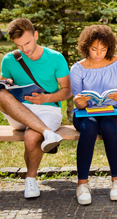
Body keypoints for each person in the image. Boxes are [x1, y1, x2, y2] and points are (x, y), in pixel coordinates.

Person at [0, 18, 71, 199]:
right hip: (19, 112)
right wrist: (6, 83)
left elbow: (67, 91)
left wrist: (45, 98)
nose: (25, 49)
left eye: (27, 42)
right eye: (19, 45)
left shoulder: (55, 58)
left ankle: (30, 180)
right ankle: (48, 132)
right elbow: (4, 86)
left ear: (36, 35)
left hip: (48, 110)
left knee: (31, 137)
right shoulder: (9, 60)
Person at [70, 25, 117, 205]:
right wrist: (80, 101)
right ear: (86, 47)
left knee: (108, 127)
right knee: (90, 127)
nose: (99, 53)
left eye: (103, 49)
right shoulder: (77, 68)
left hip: (110, 110)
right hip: (85, 113)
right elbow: (76, 100)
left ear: (109, 47)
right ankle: (82, 184)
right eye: (94, 49)